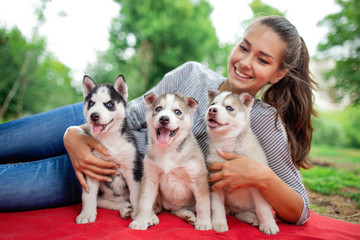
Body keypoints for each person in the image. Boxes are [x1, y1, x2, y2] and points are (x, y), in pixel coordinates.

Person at [0, 16, 317, 225]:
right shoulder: (192, 73)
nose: (245, 62)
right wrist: (74, 134)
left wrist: (261, 175)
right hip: (96, 120)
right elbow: (135, 111)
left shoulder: (264, 123)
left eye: (262, 59)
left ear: (278, 74)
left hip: (110, 173)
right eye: (243, 47)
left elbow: (300, 209)